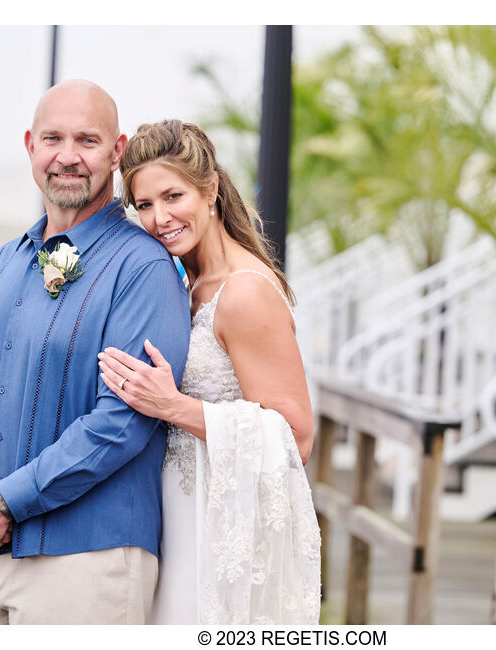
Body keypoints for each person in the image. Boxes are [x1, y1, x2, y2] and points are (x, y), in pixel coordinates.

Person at [0, 80, 191, 624]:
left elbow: (121, 421)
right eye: (53, 138)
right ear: (30, 145)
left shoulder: (143, 268)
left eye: (87, 141)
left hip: (87, 561)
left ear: (117, 152)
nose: (67, 157)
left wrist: (2, 503)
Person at [96, 119, 321, 624]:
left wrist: (172, 406)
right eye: (145, 205)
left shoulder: (242, 293)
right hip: (178, 515)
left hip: (222, 527)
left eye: (173, 196)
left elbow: (298, 436)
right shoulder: (190, 281)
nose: (160, 218)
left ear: (211, 189)